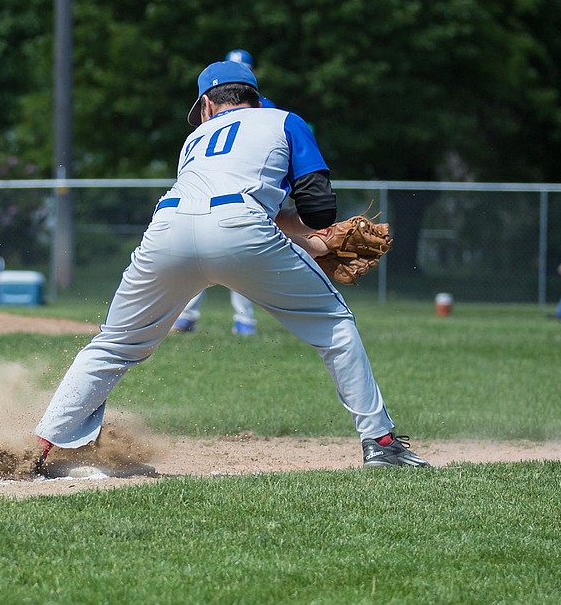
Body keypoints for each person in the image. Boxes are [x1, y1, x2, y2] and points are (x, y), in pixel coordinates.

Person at [32, 59, 429, 471]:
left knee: (114, 345)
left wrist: (305, 240)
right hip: (241, 227)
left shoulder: (194, 140)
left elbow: (226, 204)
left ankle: (40, 449)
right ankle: (381, 443)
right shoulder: (284, 121)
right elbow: (317, 207)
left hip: (167, 228)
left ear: (206, 105)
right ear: (254, 99)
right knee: (335, 326)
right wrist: (317, 238)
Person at [172, 49, 265, 336]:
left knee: (202, 260)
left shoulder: (203, 124)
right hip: (235, 196)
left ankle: (242, 320)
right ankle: (203, 317)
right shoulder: (267, 110)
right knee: (233, 261)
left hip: (220, 194)